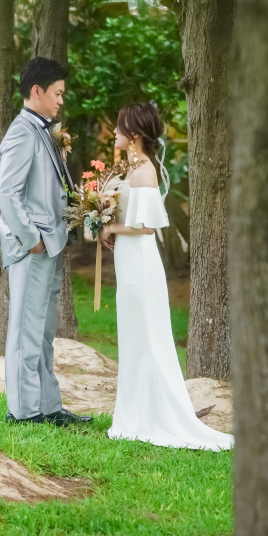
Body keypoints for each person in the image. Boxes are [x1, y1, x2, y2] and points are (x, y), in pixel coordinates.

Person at [100, 102, 233, 451]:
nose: (114, 133)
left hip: (140, 264)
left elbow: (144, 229)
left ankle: (152, 415)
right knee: (133, 338)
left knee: (146, 337)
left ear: (135, 135)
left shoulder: (143, 170)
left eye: (118, 128)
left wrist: (110, 226)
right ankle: (135, 412)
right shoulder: (129, 168)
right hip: (128, 261)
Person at [0, 57, 92, 426]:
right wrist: (32, 239)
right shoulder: (22, 131)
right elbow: (6, 192)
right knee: (24, 329)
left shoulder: (44, 130)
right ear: (37, 91)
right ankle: (23, 411)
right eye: (57, 93)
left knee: (44, 330)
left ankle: (49, 406)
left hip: (52, 244)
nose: (61, 100)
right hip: (33, 248)